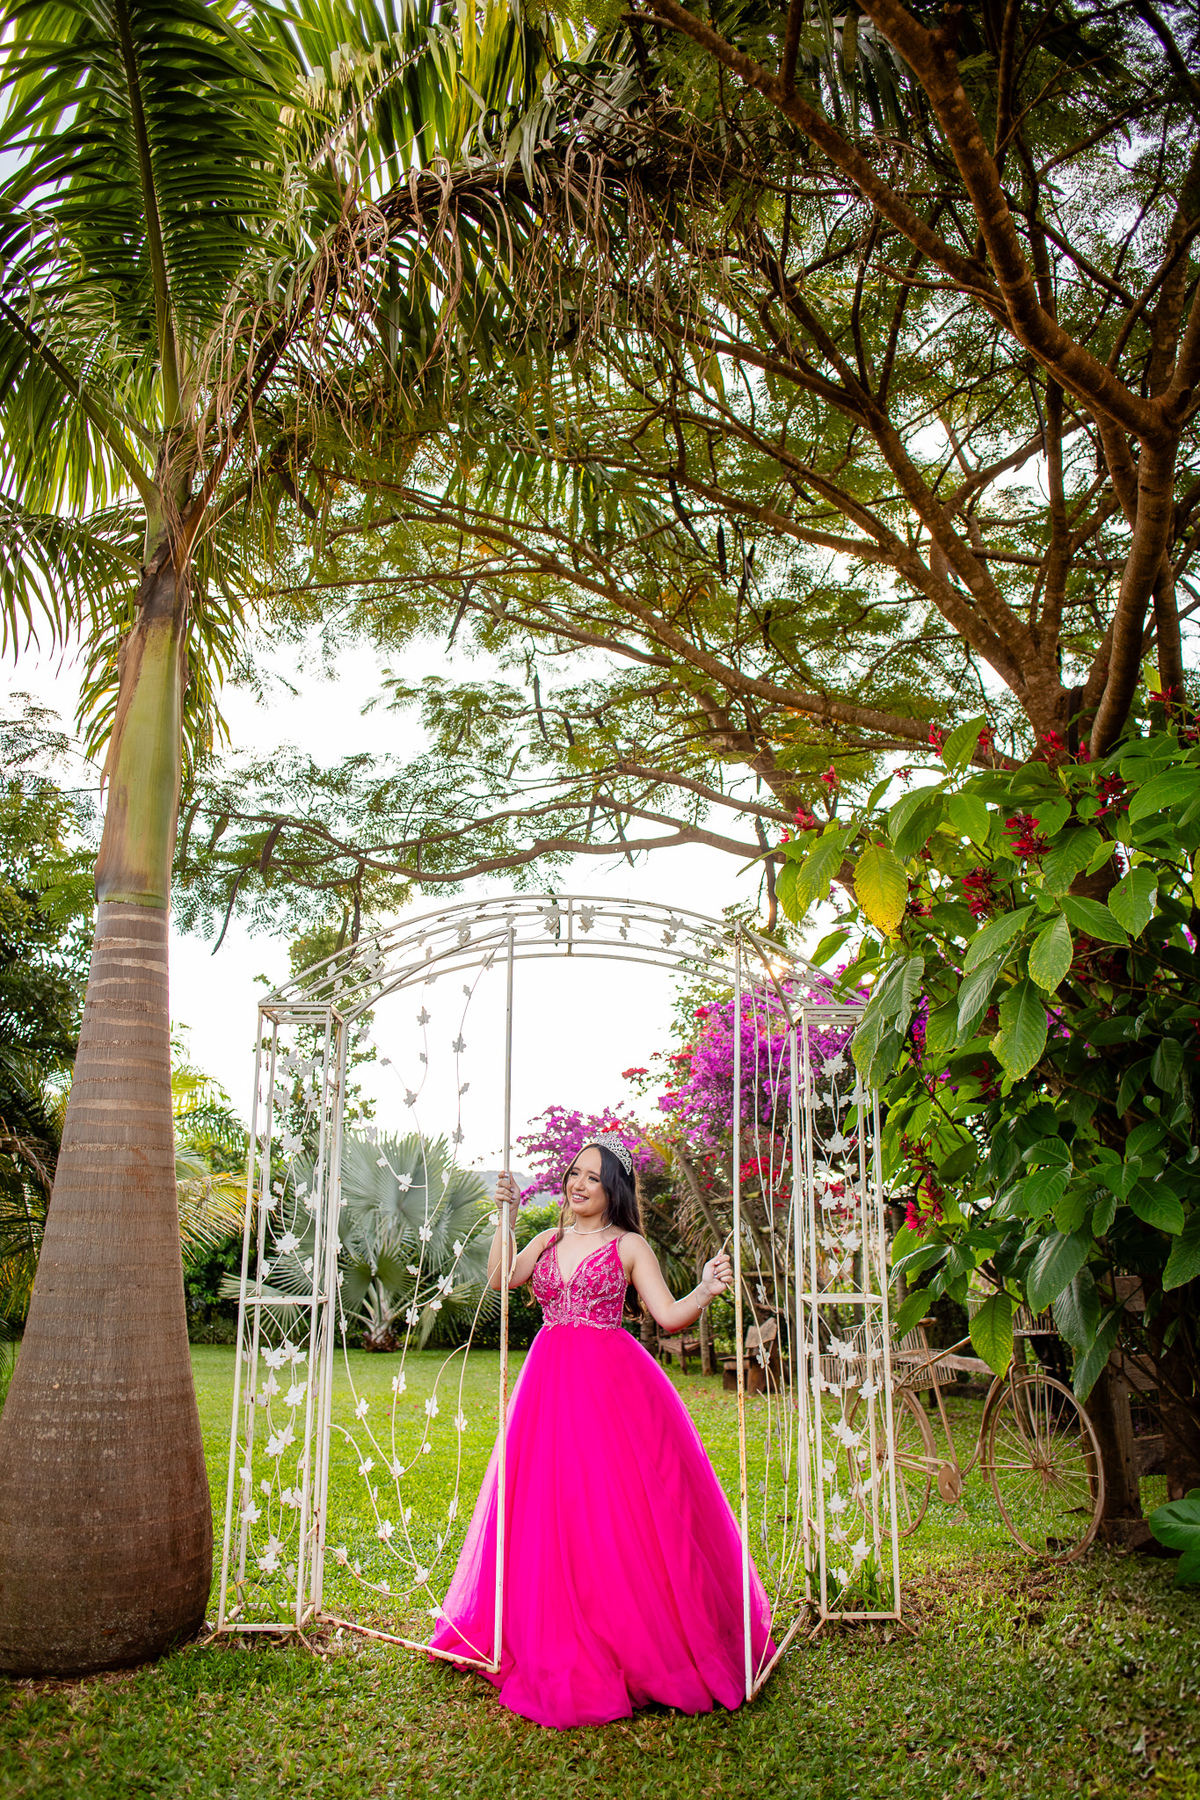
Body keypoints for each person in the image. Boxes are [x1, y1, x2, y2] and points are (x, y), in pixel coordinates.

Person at [429, 1134, 774, 1729]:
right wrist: (506, 1217)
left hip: (610, 1386)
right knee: (548, 1502)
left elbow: (668, 1315)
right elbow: (502, 1279)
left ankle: (626, 1632)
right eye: (574, 1173)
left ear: (612, 1188)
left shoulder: (630, 1245)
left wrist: (705, 1290)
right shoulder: (548, 1238)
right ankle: (548, 1624)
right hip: (547, 1385)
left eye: (593, 1176)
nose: (578, 1184)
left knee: (614, 1505)